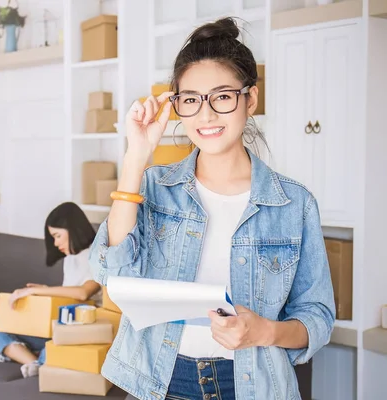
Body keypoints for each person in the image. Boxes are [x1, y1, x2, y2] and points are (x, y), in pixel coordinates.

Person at [88, 17, 335, 400]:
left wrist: (263, 331)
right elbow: (110, 272)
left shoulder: (294, 203)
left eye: (222, 96)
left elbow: (316, 317)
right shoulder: (153, 186)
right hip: (158, 382)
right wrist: (136, 158)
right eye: (190, 99)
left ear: (249, 99)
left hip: (253, 385)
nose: (205, 115)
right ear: (177, 106)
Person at [0, 202, 102, 378]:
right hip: (61, 325)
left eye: (57, 236)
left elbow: (83, 293)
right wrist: (47, 290)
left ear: (73, 229)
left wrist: (38, 292)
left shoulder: (98, 255)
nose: (55, 243)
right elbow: (69, 297)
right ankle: (36, 364)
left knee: (57, 342)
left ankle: (41, 360)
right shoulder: (71, 258)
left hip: (80, 331)